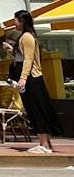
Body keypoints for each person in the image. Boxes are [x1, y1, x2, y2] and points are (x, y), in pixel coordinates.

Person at [9, 9, 63, 154]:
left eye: (15, 19)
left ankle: (44, 144)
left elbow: (28, 59)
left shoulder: (27, 37)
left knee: (35, 110)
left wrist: (23, 78)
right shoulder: (26, 37)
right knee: (37, 109)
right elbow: (23, 56)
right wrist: (11, 49)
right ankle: (46, 144)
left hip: (31, 78)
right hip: (31, 77)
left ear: (22, 21)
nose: (14, 22)